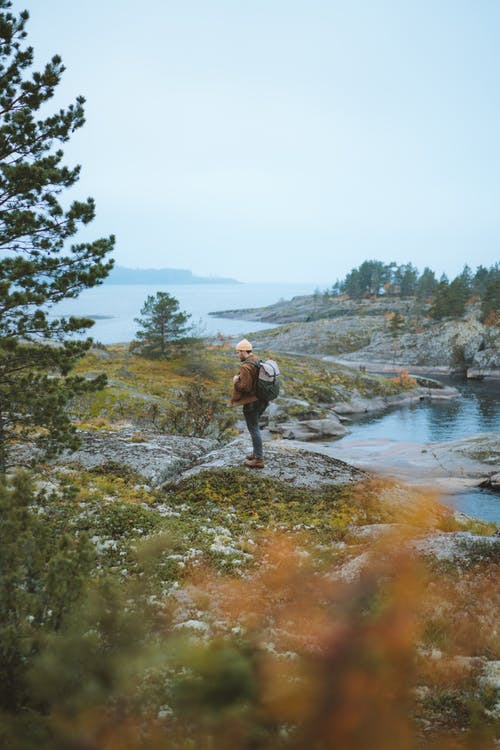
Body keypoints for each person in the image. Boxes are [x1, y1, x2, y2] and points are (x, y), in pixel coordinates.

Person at [230, 338, 268, 468]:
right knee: (255, 427)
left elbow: (245, 387)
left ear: (243, 351)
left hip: (252, 402)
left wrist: (236, 381)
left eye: (238, 352)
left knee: (254, 429)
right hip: (262, 399)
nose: (237, 354)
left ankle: (258, 459)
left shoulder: (246, 366)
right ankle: (257, 453)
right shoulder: (258, 361)